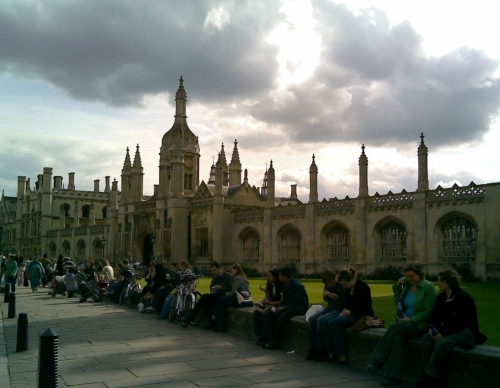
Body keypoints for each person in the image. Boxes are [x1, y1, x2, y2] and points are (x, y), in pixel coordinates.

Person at [367, 262, 437, 387]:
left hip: (420, 325)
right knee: (399, 339)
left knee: (394, 327)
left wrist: (411, 319)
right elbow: (397, 299)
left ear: (420, 274)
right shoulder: (408, 285)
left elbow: (429, 311)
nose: (410, 279)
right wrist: (398, 286)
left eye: (412, 276)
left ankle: (378, 360)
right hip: (405, 325)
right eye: (407, 276)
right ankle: (394, 376)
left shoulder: (428, 287)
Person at [417, 268, 484, 388]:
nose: (438, 283)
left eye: (440, 281)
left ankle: (430, 378)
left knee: (441, 344)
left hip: (465, 330)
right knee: (426, 341)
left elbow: (461, 322)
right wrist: (434, 329)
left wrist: (443, 333)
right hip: (448, 329)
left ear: (448, 282)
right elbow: (435, 317)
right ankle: (432, 374)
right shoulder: (441, 298)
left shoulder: (463, 298)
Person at [325, 267, 373, 364]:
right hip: (350, 314)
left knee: (332, 323)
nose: (343, 286)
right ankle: (330, 351)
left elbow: (365, 306)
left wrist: (350, 311)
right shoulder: (348, 288)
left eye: (344, 284)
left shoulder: (363, 287)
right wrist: (345, 310)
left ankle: (341, 353)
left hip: (361, 315)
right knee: (326, 321)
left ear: (351, 280)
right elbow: (345, 303)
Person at [261, 267, 309, 349]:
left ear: (285, 276)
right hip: (291, 305)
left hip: (300, 307)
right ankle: (267, 338)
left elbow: (296, 302)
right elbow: (285, 300)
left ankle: (276, 342)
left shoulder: (297, 286)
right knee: (270, 313)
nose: (279, 278)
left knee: (282, 316)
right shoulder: (285, 284)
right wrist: (279, 307)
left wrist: (283, 308)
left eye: (280, 276)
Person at [306, 268, 345, 362]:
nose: (329, 284)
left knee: (320, 320)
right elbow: (325, 299)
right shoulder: (327, 284)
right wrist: (326, 295)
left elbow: (345, 301)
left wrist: (336, 297)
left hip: (338, 309)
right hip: (330, 307)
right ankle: (313, 347)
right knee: (312, 319)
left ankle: (321, 350)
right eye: (327, 283)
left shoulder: (341, 284)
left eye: (330, 282)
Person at [187, 261, 233, 329]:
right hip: (216, 295)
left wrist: (221, 287)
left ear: (219, 268)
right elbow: (211, 286)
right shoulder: (215, 277)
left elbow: (231, 289)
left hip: (224, 295)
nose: (213, 272)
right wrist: (212, 290)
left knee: (204, 297)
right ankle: (210, 320)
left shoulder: (228, 276)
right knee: (205, 303)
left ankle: (193, 314)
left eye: (214, 270)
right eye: (211, 270)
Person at [213, 264, 252, 332]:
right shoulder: (243, 277)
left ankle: (218, 322)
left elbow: (233, 291)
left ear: (236, 270)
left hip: (238, 299)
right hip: (244, 298)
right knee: (222, 304)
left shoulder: (237, 278)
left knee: (220, 299)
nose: (231, 272)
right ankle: (220, 324)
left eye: (232, 270)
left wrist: (226, 293)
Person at [254, 269, 284, 344]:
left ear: (275, 277)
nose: (268, 278)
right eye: (268, 276)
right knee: (256, 313)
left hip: (279, 305)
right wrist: (266, 291)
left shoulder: (280, 286)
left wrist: (270, 302)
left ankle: (265, 338)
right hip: (272, 304)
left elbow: (281, 301)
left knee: (266, 316)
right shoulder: (271, 285)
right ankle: (259, 334)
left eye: (270, 276)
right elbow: (269, 299)